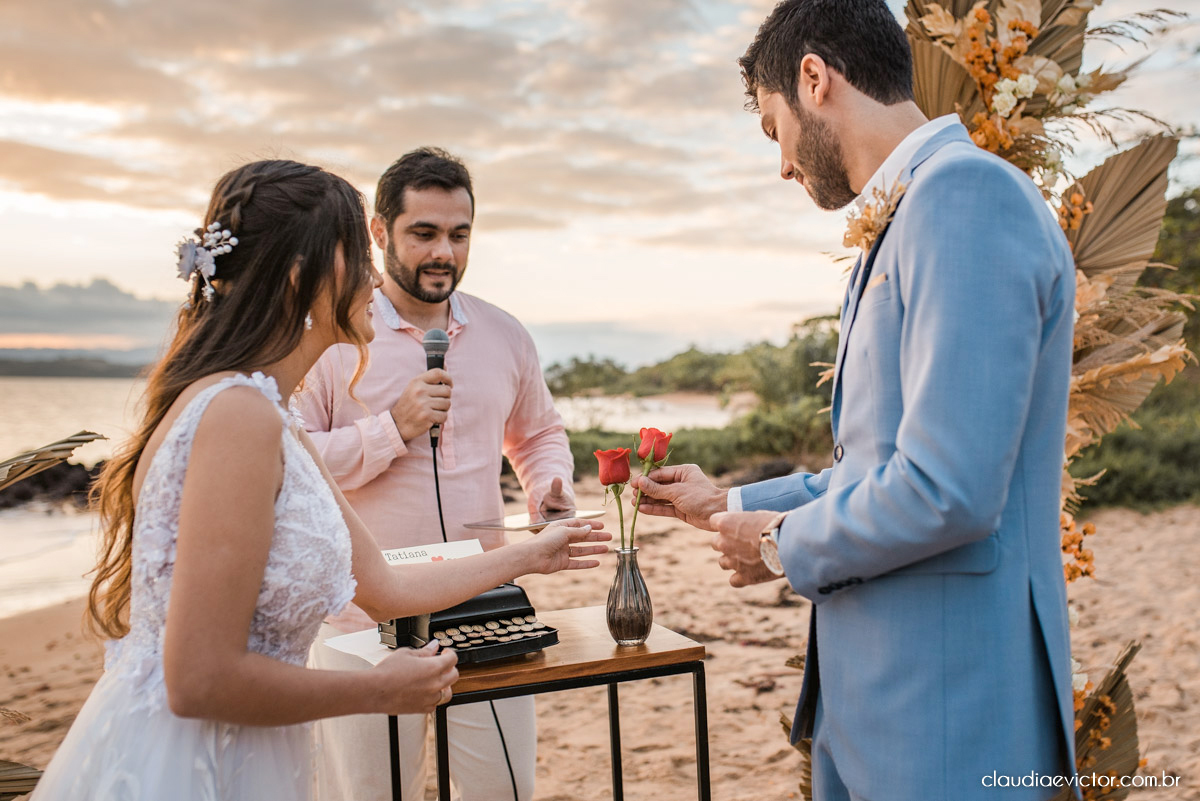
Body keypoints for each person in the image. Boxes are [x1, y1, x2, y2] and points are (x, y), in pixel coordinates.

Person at [29, 159, 608, 801]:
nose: (370, 279)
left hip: (277, 738)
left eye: (460, 233)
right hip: (196, 764)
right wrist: (376, 689)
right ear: (306, 276)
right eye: (359, 257)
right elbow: (197, 681)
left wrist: (535, 551)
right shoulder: (238, 414)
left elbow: (384, 587)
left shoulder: (265, 411)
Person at [631, 2, 1077, 799]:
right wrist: (723, 501)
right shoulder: (906, 217)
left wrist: (777, 544)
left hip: (949, 717)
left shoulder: (964, 195)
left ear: (814, 77)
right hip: (876, 713)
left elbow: (948, 490)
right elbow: (875, 464)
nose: (783, 166)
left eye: (776, 131)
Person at [300, 147, 574, 801]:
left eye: (458, 233)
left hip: (486, 608)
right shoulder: (334, 339)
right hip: (357, 624)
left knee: (503, 791)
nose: (443, 252)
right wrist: (390, 429)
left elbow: (538, 434)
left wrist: (549, 487)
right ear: (379, 232)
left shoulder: (505, 334)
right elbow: (294, 464)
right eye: (423, 233)